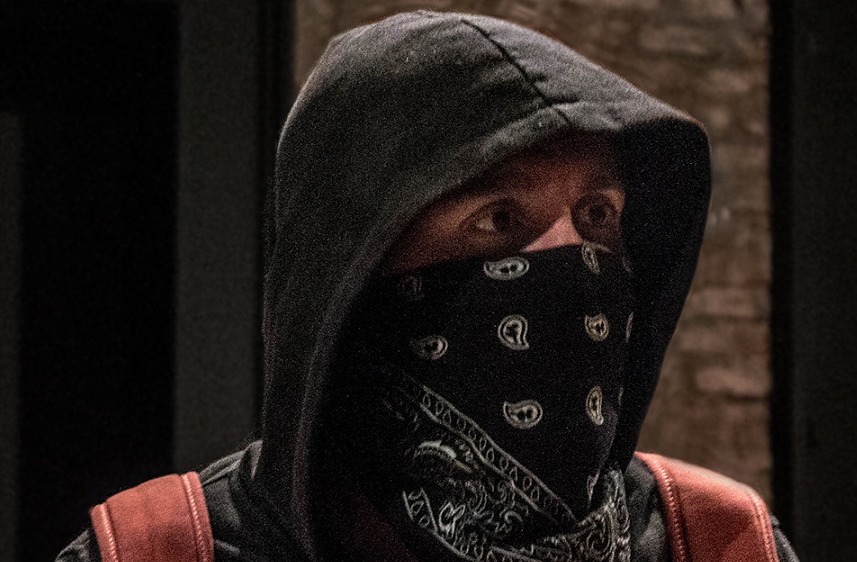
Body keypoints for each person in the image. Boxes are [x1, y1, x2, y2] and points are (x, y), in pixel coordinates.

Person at [57, 10, 798, 562]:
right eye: (498, 218)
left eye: (598, 216)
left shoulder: (718, 544)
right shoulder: (159, 551)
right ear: (352, 269)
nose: (574, 262)